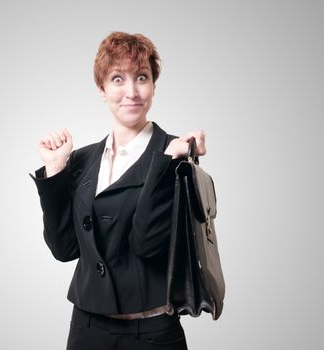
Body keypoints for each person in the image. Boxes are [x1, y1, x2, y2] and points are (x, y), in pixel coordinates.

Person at [30, 31, 206, 350]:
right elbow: (64, 248)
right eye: (117, 79)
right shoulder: (82, 160)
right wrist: (56, 171)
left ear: (153, 85)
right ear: (102, 89)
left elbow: (147, 244)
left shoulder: (176, 154)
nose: (132, 92)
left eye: (141, 77)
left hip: (153, 330)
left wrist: (166, 163)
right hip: (87, 326)